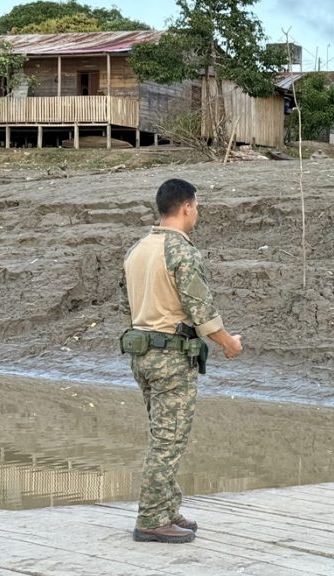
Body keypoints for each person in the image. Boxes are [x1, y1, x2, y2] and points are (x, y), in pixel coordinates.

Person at [120, 178, 243, 544]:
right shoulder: (182, 252)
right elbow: (202, 311)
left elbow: (129, 305)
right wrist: (228, 343)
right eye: (197, 207)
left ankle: (168, 508)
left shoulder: (137, 250)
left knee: (163, 435)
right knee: (168, 441)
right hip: (171, 358)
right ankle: (152, 518)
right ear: (187, 207)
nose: (197, 213)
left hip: (142, 353)